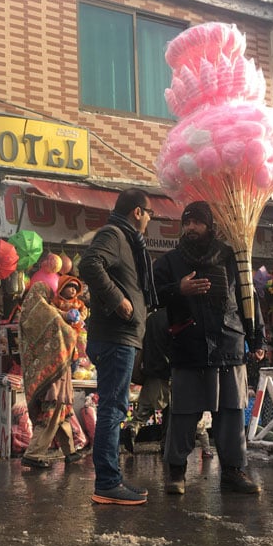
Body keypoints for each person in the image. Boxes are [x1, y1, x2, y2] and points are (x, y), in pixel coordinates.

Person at [153, 201, 265, 495]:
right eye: (186, 222)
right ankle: (176, 473)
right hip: (188, 345)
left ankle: (233, 472)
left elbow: (247, 298)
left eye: (197, 222)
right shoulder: (169, 262)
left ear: (210, 225)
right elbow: (150, 295)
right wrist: (179, 289)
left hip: (229, 343)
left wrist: (257, 338)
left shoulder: (232, 257)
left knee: (231, 412)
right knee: (183, 414)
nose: (191, 228)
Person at [79, 188, 156, 505]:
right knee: (113, 408)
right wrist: (120, 301)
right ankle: (107, 483)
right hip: (114, 336)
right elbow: (89, 265)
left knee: (114, 406)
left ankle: (112, 480)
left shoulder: (128, 242)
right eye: (149, 213)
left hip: (119, 336)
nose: (150, 219)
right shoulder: (114, 234)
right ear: (138, 212)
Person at [18, 281, 83, 468]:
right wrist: (72, 325)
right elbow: (67, 335)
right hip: (54, 372)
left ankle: (70, 452)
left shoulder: (27, 313)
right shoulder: (48, 312)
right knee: (52, 413)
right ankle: (33, 454)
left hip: (45, 371)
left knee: (62, 413)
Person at [121, 308, 171, 455]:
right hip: (168, 372)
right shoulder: (173, 315)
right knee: (171, 411)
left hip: (150, 371)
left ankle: (132, 428)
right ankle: (166, 444)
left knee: (143, 410)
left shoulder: (149, 319)